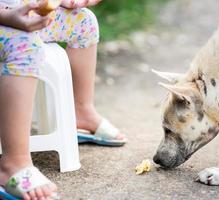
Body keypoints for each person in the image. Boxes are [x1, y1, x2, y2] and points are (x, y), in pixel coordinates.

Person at [0, 0, 126, 199]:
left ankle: (81, 111)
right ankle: (14, 162)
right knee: (24, 45)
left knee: (84, 22)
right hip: (5, 19)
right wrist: (6, 15)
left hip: (24, 13)